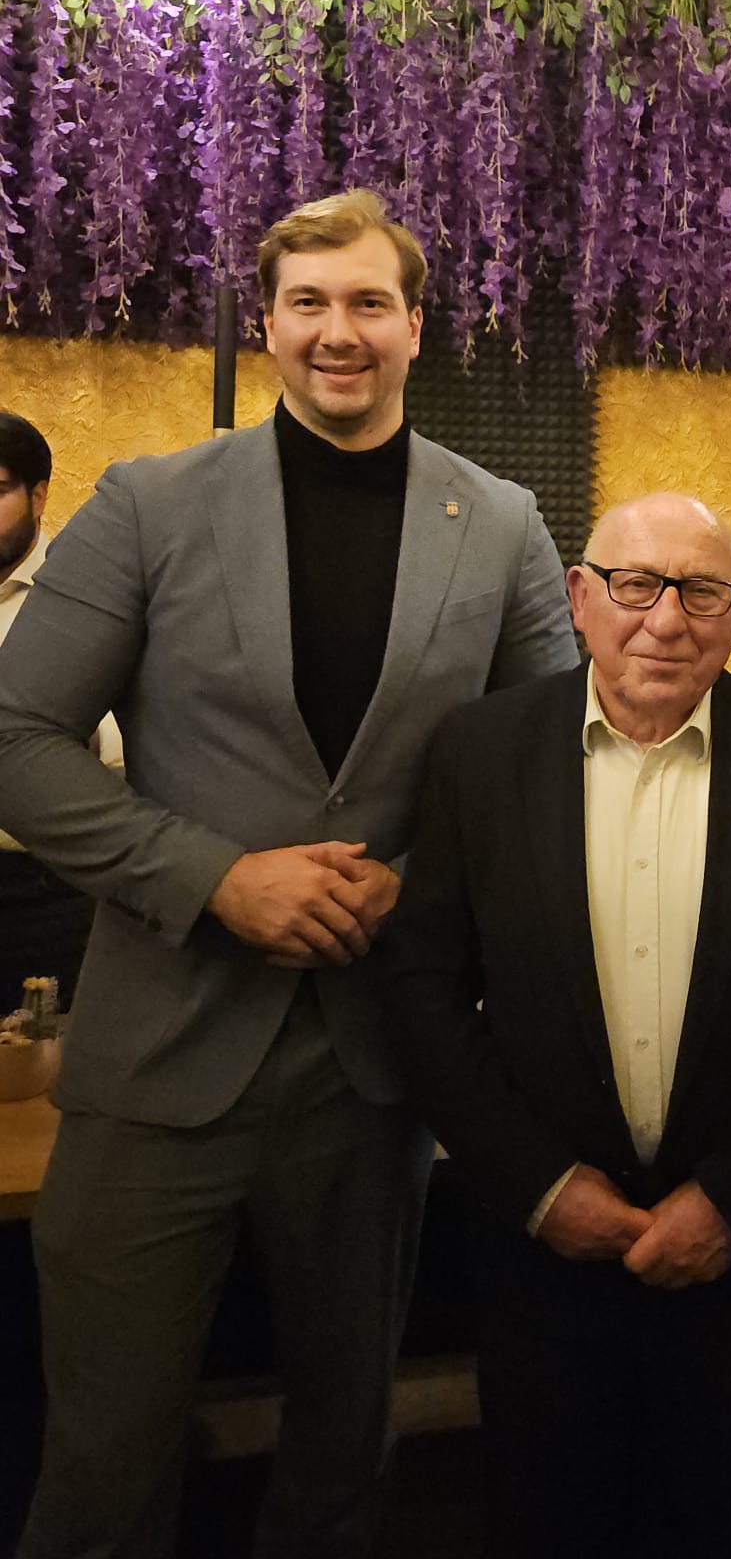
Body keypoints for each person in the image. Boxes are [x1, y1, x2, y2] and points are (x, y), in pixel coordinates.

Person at [0, 189, 578, 1559]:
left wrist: (416, 884)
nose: (338, 331)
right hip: (154, 1066)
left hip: (372, 1077)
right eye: (308, 302)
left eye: (369, 302)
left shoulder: (501, 522)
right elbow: (16, 737)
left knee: (341, 1458)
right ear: (265, 324)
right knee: (104, 1468)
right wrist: (216, 878)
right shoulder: (148, 504)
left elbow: (551, 760)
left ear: (417, 326)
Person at [378, 491, 731, 1559]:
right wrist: (539, 1185)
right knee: (553, 1518)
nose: (665, 619)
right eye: (634, 585)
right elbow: (422, 986)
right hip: (545, 1264)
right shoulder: (479, 754)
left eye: (700, 592)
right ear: (579, 597)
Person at [0, 412, 122, 1011]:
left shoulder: (84, 593)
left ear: (39, 494)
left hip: (47, 888)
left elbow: (120, 756)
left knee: (41, 1051)